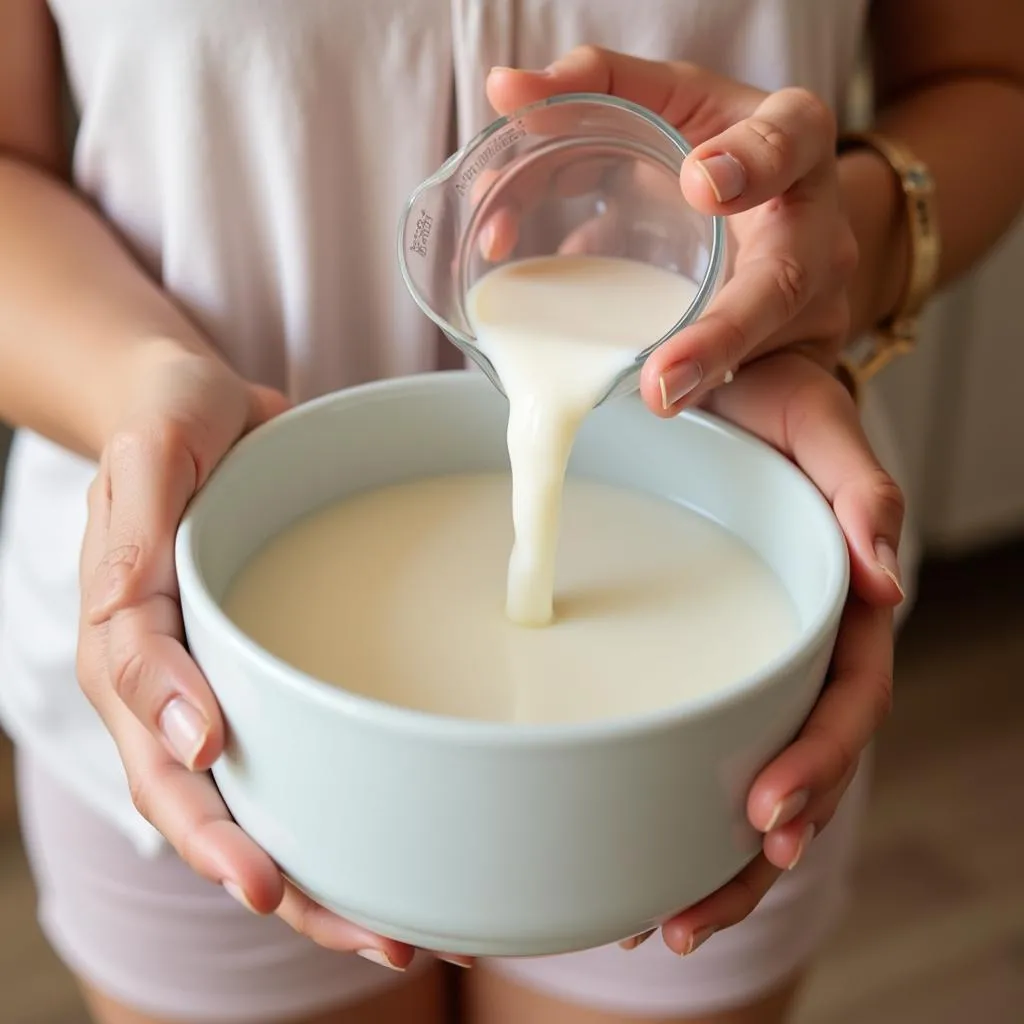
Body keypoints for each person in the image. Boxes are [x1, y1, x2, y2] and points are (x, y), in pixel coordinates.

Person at [0, 1, 1021, 1022]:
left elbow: (988, 82)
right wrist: (140, 389)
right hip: (205, 679)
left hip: (709, 731)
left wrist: (826, 256)